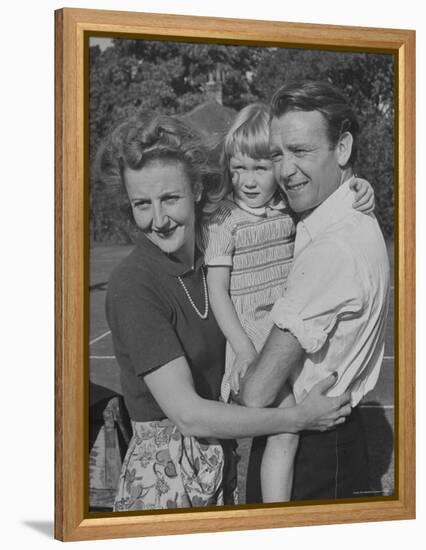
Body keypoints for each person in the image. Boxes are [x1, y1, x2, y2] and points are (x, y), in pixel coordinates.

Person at [96, 111, 352, 512]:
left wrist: (356, 189)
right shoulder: (134, 286)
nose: (158, 220)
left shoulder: (216, 260)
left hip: (221, 467)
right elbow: (190, 416)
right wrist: (298, 418)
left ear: (197, 188)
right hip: (166, 482)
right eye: (141, 204)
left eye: (170, 198)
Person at [202, 103, 375, 503]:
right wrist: (245, 350)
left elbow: (332, 202)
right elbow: (218, 292)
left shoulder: (287, 209)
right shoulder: (223, 222)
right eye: (237, 168)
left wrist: (360, 186)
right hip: (251, 337)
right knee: (284, 429)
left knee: (286, 428)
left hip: (289, 328)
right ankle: (275, 516)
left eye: (260, 168)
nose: (247, 180)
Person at [239, 81, 390, 503]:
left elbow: (256, 394)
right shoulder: (349, 219)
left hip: (311, 452)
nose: (285, 170)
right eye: (277, 154)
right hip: (334, 439)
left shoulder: (333, 246)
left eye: (301, 151)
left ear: (342, 148)